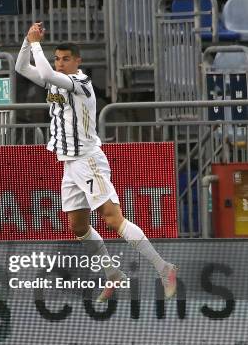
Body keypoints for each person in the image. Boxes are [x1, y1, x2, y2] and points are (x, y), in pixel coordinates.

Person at [15, 23, 177, 302]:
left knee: (112, 218)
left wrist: (36, 44)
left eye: (66, 58)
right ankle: (112, 274)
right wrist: (28, 42)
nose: (61, 62)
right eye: (57, 58)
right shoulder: (55, 81)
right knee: (78, 226)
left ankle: (164, 269)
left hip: (88, 161)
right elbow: (21, 68)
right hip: (69, 164)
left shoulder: (80, 83)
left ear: (78, 61)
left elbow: (43, 71)